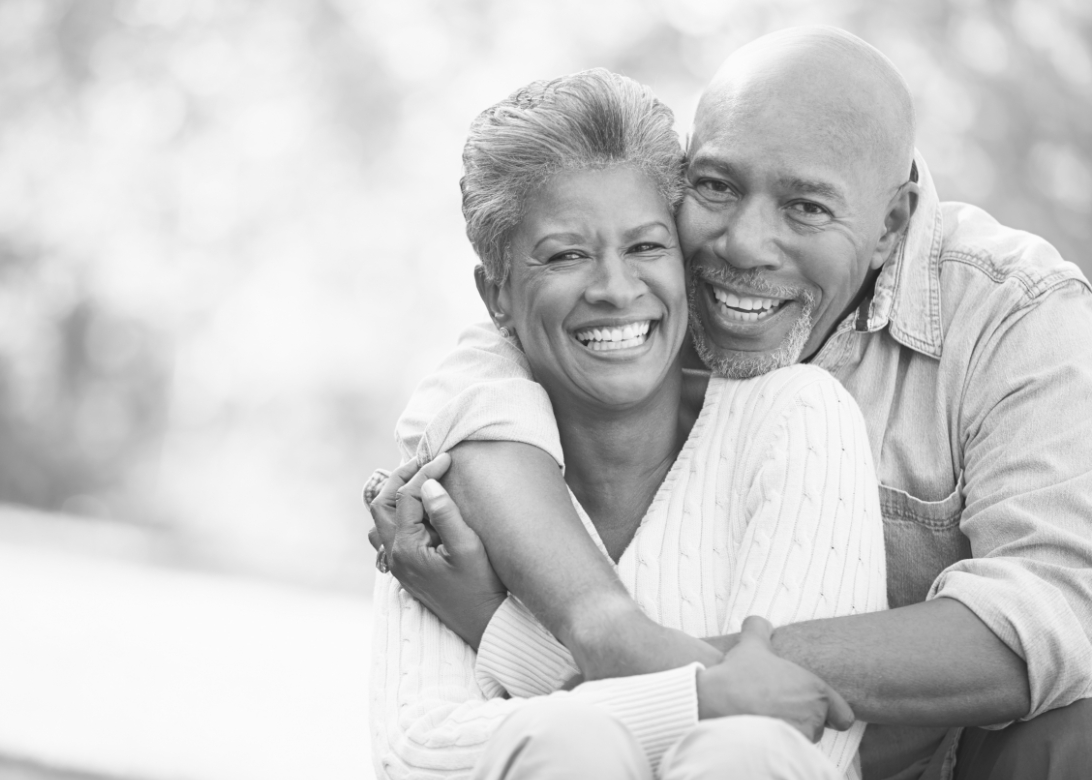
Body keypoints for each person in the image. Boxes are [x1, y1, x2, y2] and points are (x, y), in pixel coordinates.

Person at [372, 26, 1092, 780]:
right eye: (715, 185)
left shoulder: (1013, 312)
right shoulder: (640, 266)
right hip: (676, 752)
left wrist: (545, 637)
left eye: (806, 207)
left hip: (926, 754)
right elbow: (469, 398)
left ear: (890, 224)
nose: (744, 244)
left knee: (1076, 728)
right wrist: (618, 640)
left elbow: (1054, 610)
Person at [367, 68, 888, 780]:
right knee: (567, 745)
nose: (615, 289)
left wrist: (495, 626)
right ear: (495, 293)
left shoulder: (793, 419)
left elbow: (788, 740)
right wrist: (699, 697)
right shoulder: (452, 477)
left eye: (645, 246)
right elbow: (420, 749)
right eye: (567, 255)